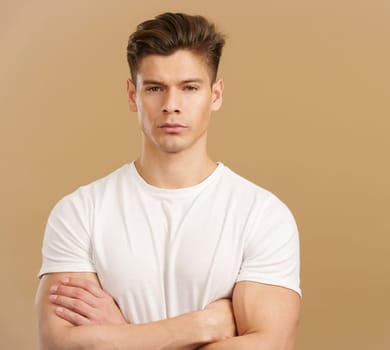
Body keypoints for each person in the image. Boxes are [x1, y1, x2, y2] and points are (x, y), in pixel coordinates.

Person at [34, 12, 301, 350]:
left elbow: (272, 345)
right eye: (155, 88)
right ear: (133, 95)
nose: (171, 106)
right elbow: (58, 345)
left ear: (215, 95)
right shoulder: (79, 212)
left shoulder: (262, 215)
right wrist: (200, 326)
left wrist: (122, 334)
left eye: (189, 88)